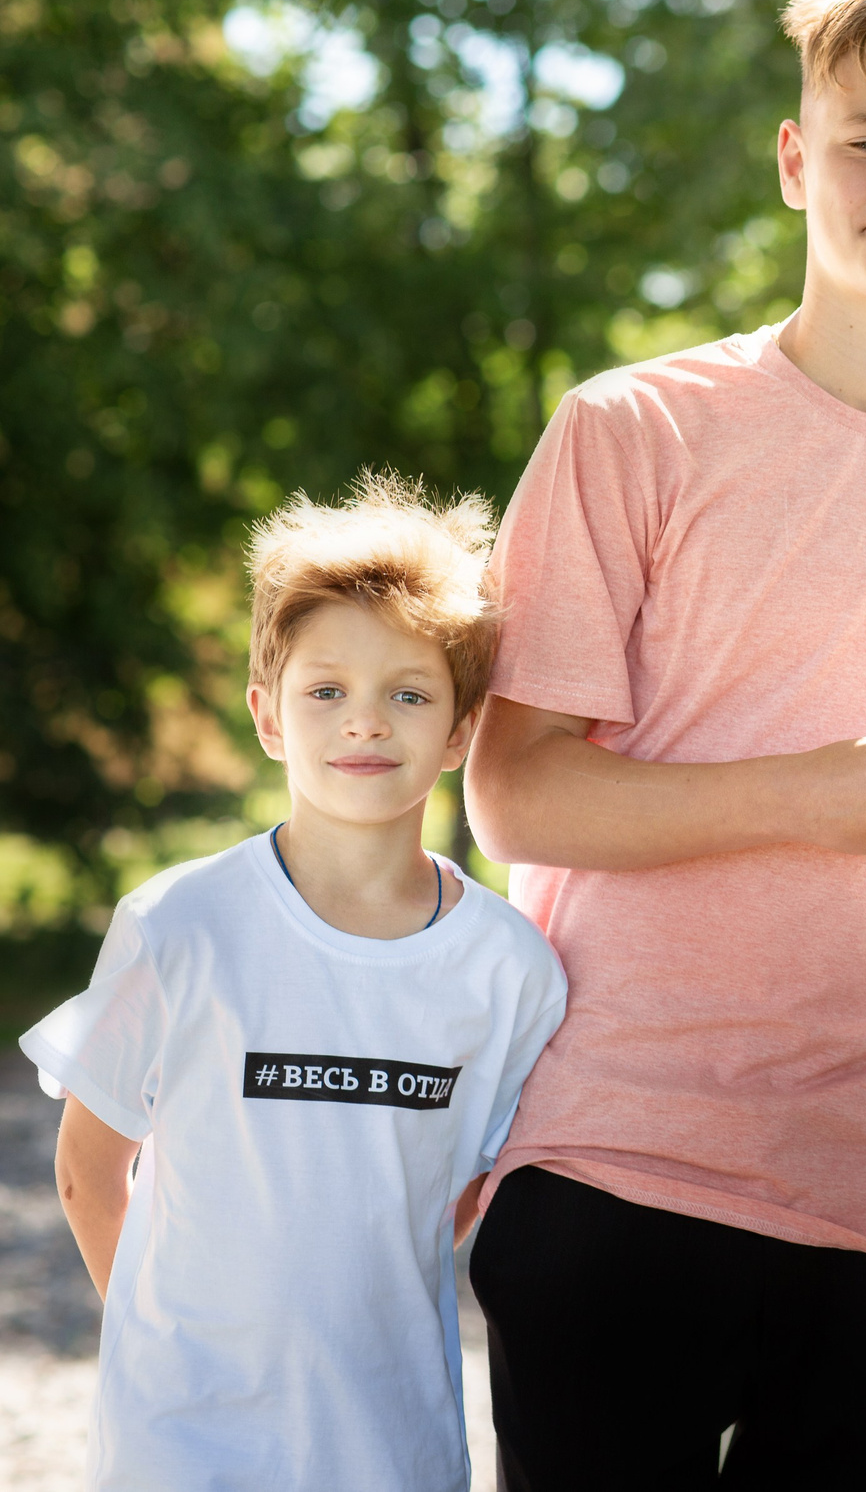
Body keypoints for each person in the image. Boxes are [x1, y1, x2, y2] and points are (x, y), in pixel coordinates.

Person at [459, 0, 866, 1488]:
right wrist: (812, 791)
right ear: (799, 161)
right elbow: (517, 792)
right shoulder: (634, 428)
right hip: (613, 1155)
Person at [23, 474, 566, 1491]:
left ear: (460, 732)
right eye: (326, 691)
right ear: (268, 716)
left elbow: (455, 1196)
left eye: (409, 694)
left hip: (389, 1447)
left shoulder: (511, 970)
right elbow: (87, 1171)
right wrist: (165, 1353)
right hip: (180, 1451)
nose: (365, 722)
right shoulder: (180, 925)